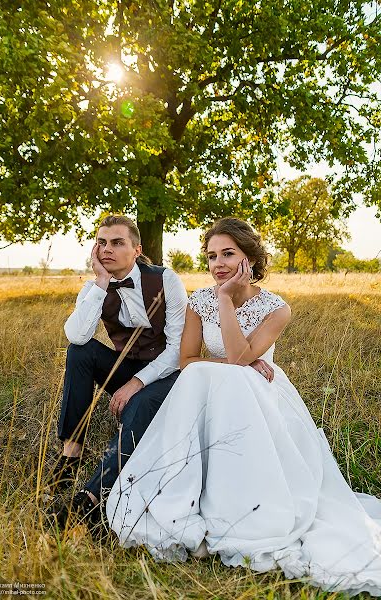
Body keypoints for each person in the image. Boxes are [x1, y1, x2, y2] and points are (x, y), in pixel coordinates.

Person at [106, 217, 381, 597]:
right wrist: (238, 357)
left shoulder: (275, 308)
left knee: (232, 378)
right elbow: (187, 360)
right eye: (211, 256)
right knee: (202, 377)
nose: (217, 263)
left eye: (228, 254)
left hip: (259, 395)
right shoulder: (196, 301)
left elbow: (236, 358)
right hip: (211, 388)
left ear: (249, 258)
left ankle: (244, 505)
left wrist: (224, 301)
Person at [50, 214, 189, 524]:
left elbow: (177, 349)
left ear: (136, 250)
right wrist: (101, 283)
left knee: (138, 404)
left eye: (117, 243)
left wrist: (137, 383)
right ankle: (71, 453)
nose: (107, 249)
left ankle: (92, 497)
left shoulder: (166, 279)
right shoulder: (93, 287)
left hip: (167, 374)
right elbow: (76, 336)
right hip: (125, 367)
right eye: (102, 243)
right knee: (80, 352)